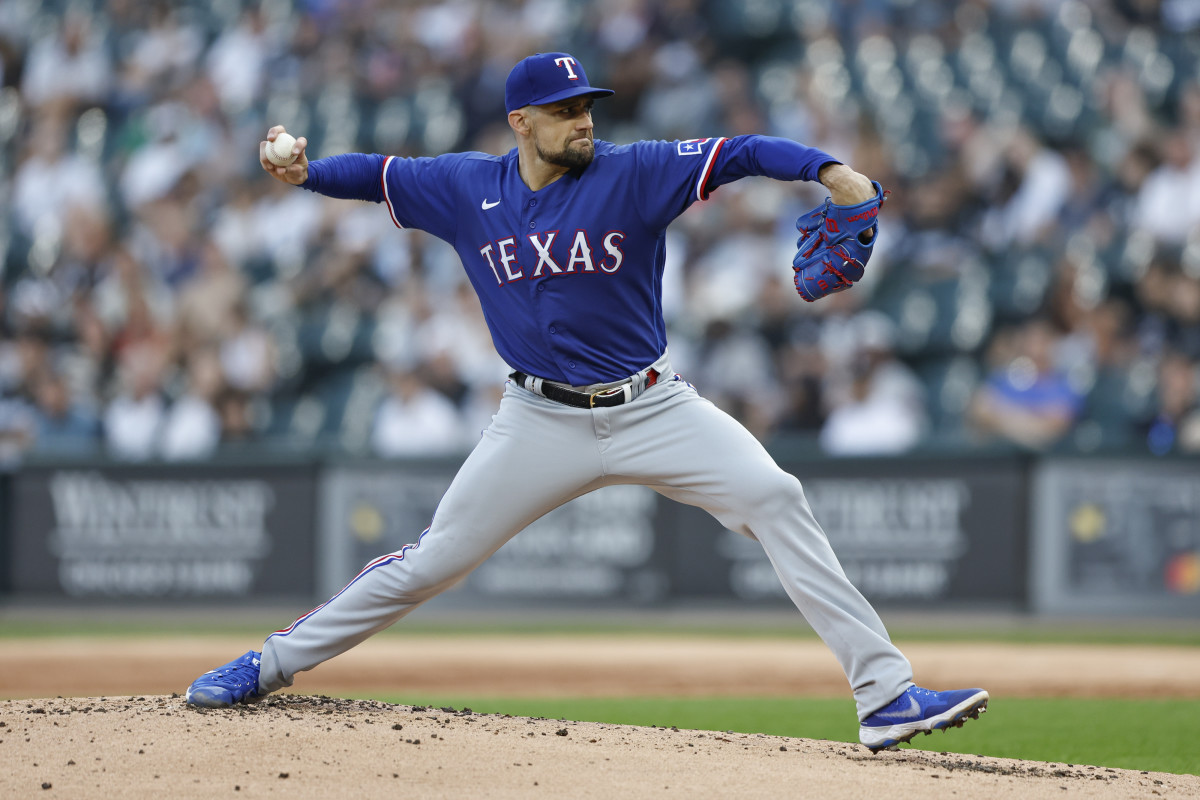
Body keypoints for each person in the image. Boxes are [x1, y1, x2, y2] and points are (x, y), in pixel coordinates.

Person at [185, 52, 988, 753]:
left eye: (587, 107)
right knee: (433, 560)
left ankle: (885, 696)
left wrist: (830, 170)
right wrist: (309, 172)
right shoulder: (468, 186)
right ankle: (270, 663)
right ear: (521, 121)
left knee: (777, 497)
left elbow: (740, 152)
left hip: (654, 408)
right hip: (537, 420)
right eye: (565, 110)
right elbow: (380, 175)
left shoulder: (632, 171)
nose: (584, 121)